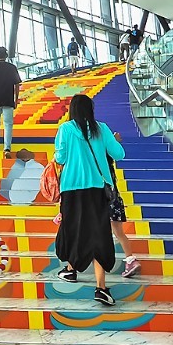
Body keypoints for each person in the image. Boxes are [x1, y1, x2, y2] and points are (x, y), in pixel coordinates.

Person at [53, 94, 126, 306]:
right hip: (97, 189)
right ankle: (101, 287)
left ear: (72, 110)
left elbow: (60, 158)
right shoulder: (101, 128)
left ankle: (71, 270)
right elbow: (119, 154)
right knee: (98, 234)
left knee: (73, 229)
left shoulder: (65, 129)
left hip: (72, 189)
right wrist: (112, 141)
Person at [0, 46, 21, 159]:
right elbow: (16, 85)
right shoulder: (12, 67)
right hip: (8, 99)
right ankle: (7, 148)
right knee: (8, 124)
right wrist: (16, 99)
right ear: (6, 56)